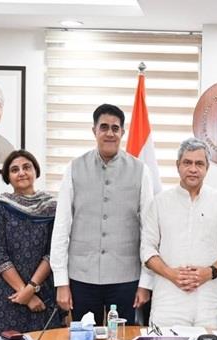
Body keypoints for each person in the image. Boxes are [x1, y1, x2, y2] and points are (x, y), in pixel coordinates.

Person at [50, 104, 153, 325]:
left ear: (122, 132)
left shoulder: (140, 170)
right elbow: (62, 226)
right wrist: (61, 282)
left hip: (126, 277)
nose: (109, 133)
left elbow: (149, 230)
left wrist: (146, 282)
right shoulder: (74, 168)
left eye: (115, 128)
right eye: (104, 127)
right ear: (94, 130)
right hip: (81, 276)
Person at [136, 138, 217, 328]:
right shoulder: (159, 203)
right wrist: (171, 274)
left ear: (207, 168)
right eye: (187, 163)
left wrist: (208, 272)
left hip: (209, 300)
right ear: (178, 166)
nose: (193, 169)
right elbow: (147, 249)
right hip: (168, 301)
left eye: (199, 164)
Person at [0, 150, 63, 336]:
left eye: (26, 167)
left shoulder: (52, 206)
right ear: (8, 177)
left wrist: (32, 288)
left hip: (43, 289)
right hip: (8, 292)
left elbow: (53, 251)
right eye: (14, 170)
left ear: (36, 171)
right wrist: (25, 293)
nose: (21, 173)